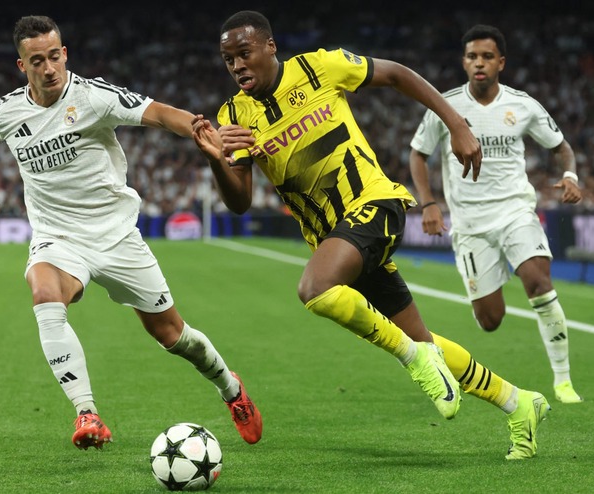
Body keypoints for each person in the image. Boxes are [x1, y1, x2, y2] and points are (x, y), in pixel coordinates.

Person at [192, 10, 549, 460]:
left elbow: (398, 75)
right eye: (228, 60)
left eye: (244, 54)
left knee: (314, 288)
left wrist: (457, 123)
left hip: (376, 205)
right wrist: (216, 158)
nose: (238, 66)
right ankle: (520, 404)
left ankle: (413, 360)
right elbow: (239, 201)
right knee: (425, 341)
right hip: (336, 238)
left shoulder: (318, 68)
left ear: (270, 47)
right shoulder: (233, 117)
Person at [0, 15, 262, 450]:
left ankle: (231, 389)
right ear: (21, 66)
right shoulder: (2, 112)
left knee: (173, 336)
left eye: (53, 57)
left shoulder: (93, 97)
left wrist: (200, 130)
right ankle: (87, 413)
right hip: (58, 237)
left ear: (64, 54)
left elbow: (158, 113)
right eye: (36, 61)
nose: (48, 68)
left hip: (116, 236)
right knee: (44, 293)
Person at [409, 24, 583, 405]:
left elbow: (562, 147)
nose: (479, 63)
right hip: (470, 225)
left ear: (500, 62)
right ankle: (491, 280)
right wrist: (429, 203)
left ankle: (564, 381)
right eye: (472, 56)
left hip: (515, 211)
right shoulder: (446, 105)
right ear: (464, 62)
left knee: (539, 280)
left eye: (487, 56)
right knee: (490, 320)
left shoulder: (523, 105)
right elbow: (418, 154)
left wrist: (569, 175)